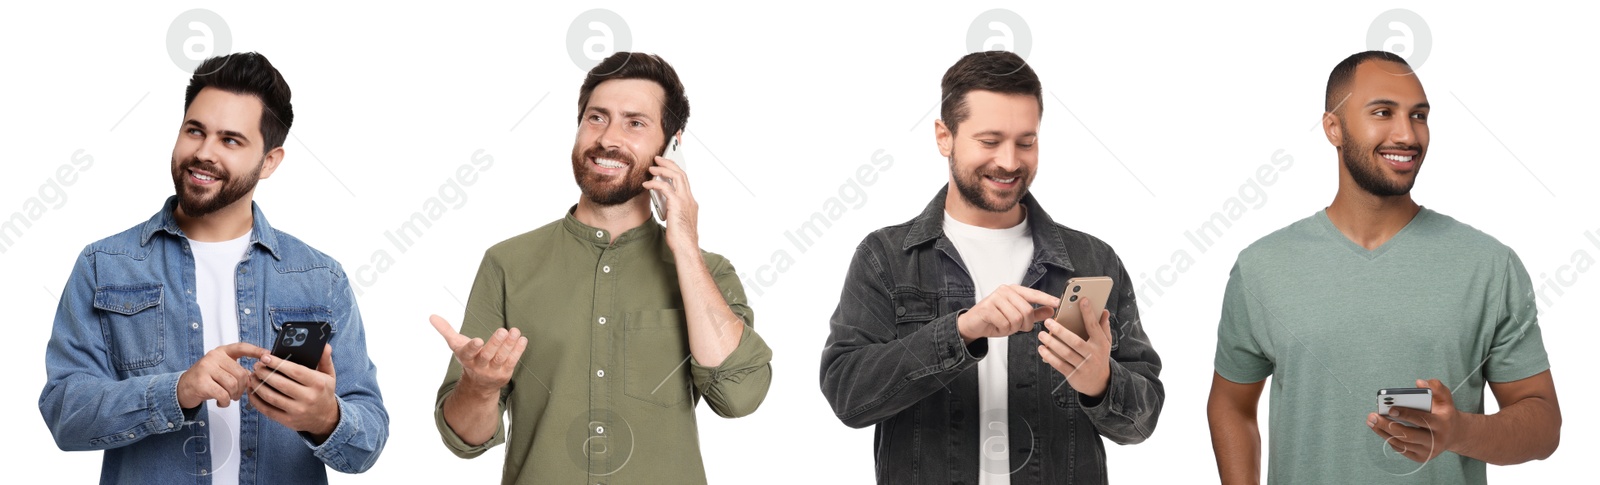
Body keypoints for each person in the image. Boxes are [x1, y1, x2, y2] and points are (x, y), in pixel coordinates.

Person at [1207, 50, 1562, 484]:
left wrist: (1459, 431)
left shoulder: (1489, 265)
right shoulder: (1262, 267)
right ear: (1333, 128)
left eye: (1419, 116)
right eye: (1383, 112)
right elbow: (1231, 403)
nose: (1407, 134)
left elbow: (1544, 426)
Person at [39, 52, 388, 483]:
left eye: (230, 140)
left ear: (270, 161)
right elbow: (65, 413)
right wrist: (177, 391)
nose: (203, 153)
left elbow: (368, 441)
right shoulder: (105, 266)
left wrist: (326, 418)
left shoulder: (320, 279)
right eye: (194, 131)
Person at [820, 51, 1164, 484]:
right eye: (989, 141)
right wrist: (962, 330)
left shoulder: (1092, 261)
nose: (1009, 161)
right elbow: (848, 397)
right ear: (944, 137)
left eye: (1026, 141)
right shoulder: (886, 258)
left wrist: (1100, 381)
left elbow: (1142, 420)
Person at [430, 51, 773, 484]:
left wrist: (684, 242)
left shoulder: (709, 273)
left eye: (635, 122)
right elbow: (465, 438)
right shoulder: (507, 263)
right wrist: (478, 387)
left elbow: (740, 396)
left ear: (672, 146)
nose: (608, 138)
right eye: (596, 118)